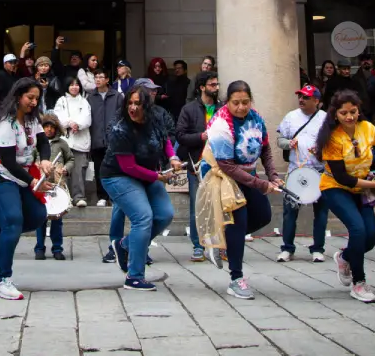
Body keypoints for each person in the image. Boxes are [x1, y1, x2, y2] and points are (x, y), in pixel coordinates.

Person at [0, 78, 54, 301]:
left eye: (37, 98)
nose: (34, 102)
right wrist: (33, 182)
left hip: (19, 176)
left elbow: (44, 143)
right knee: (12, 221)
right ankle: (3, 280)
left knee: (38, 215)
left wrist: (45, 161)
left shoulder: (32, 119)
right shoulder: (5, 124)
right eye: (30, 97)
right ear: (18, 97)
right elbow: (9, 163)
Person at [204, 81, 282, 299]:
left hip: (249, 175)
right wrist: (262, 185)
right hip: (225, 177)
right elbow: (226, 165)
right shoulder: (220, 124)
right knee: (238, 221)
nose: (240, 107)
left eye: (245, 102)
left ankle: (222, 244)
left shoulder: (255, 117)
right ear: (227, 102)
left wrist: (273, 175)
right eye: (235, 103)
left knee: (263, 215)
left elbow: (265, 148)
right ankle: (236, 278)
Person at [316, 92, 375, 303]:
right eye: (344, 113)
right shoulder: (332, 137)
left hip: (363, 187)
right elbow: (343, 178)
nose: (350, 116)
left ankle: (345, 257)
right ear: (335, 114)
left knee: (371, 235)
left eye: (353, 112)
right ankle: (359, 283)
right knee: (358, 229)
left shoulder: (367, 127)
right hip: (335, 187)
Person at [102, 85, 179, 291]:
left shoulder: (155, 119)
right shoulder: (121, 128)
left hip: (146, 174)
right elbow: (128, 167)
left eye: (138, 103)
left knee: (164, 215)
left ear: (147, 105)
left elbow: (165, 142)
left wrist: (172, 157)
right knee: (143, 217)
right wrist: (158, 176)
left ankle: (124, 245)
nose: (133, 108)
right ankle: (134, 277)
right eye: (130, 103)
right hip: (117, 176)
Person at [277, 84, 329, 263]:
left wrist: (321, 150)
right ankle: (287, 248)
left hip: (320, 171)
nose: (301, 100)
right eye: (300, 96)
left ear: (316, 101)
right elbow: (280, 140)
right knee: (290, 211)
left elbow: (333, 143)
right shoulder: (290, 117)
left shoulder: (325, 118)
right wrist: (288, 144)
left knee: (321, 212)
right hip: (295, 170)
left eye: (306, 97)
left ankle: (318, 248)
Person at [176, 70, 222, 262]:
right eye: (212, 85)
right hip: (196, 164)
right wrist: (200, 137)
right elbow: (180, 135)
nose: (216, 88)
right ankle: (198, 245)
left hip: (219, 165)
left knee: (220, 206)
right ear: (202, 87)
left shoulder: (223, 108)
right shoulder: (189, 109)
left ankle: (219, 245)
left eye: (217, 84)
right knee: (198, 206)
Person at [34, 113, 73, 261]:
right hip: (41, 185)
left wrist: (66, 169)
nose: (49, 130)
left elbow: (70, 159)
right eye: (46, 127)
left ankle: (57, 248)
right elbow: (31, 158)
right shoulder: (36, 143)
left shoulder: (62, 143)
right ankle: (39, 249)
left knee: (57, 219)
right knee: (40, 218)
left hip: (57, 186)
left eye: (52, 127)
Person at [53, 75, 92, 207]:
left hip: (80, 141)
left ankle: (78, 197)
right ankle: (64, 197)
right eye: (71, 85)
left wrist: (78, 124)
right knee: (61, 170)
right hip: (65, 140)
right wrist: (69, 123)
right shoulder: (61, 100)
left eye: (76, 85)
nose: (74, 87)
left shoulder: (84, 101)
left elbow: (87, 118)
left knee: (78, 171)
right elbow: (57, 117)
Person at [88, 69, 122, 207]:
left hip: (113, 139)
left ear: (107, 80)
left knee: (114, 169)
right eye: (95, 77)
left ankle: (114, 197)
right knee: (99, 169)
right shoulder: (90, 97)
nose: (97, 79)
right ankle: (101, 196)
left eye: (101, 77)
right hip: (96, 138)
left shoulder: (117, 96)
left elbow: (122, 117)